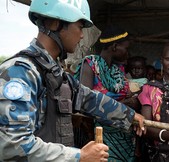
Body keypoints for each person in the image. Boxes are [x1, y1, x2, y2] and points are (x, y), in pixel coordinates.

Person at [0, 0, 145, 161]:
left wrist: (130, 115)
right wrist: (79, 156)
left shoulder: (54, 73)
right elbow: (12, 146)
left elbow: (88, 98)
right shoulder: (20, 72)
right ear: (56, 23)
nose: (82, 35)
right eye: (80, 27)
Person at [74, 25, 140, 162]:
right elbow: (84, 101)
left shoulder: (118, 70)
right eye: (126, 48)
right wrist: (124, 104)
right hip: (97, 134)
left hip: (123, 135)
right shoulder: (91, 64)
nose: (128, 53)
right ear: (115, 46)